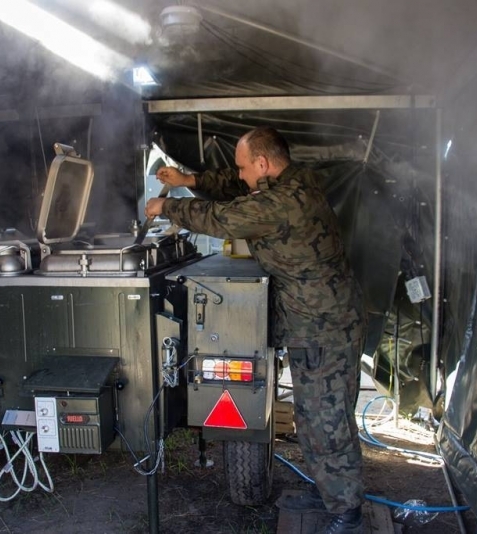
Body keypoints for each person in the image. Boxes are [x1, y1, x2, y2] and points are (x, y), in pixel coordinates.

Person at [145, 126, 367, 534]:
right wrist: (188, 179)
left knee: (326, 419)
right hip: (319, 320)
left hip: (323, 327)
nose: (240, 175)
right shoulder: (295, 179)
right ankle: (329, 492)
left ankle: (347, 512)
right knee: (314, 415)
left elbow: (223, 218)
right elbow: (234, 186)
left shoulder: (281, 203)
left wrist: (167, 206)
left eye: (245, 167)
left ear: (263, 164)